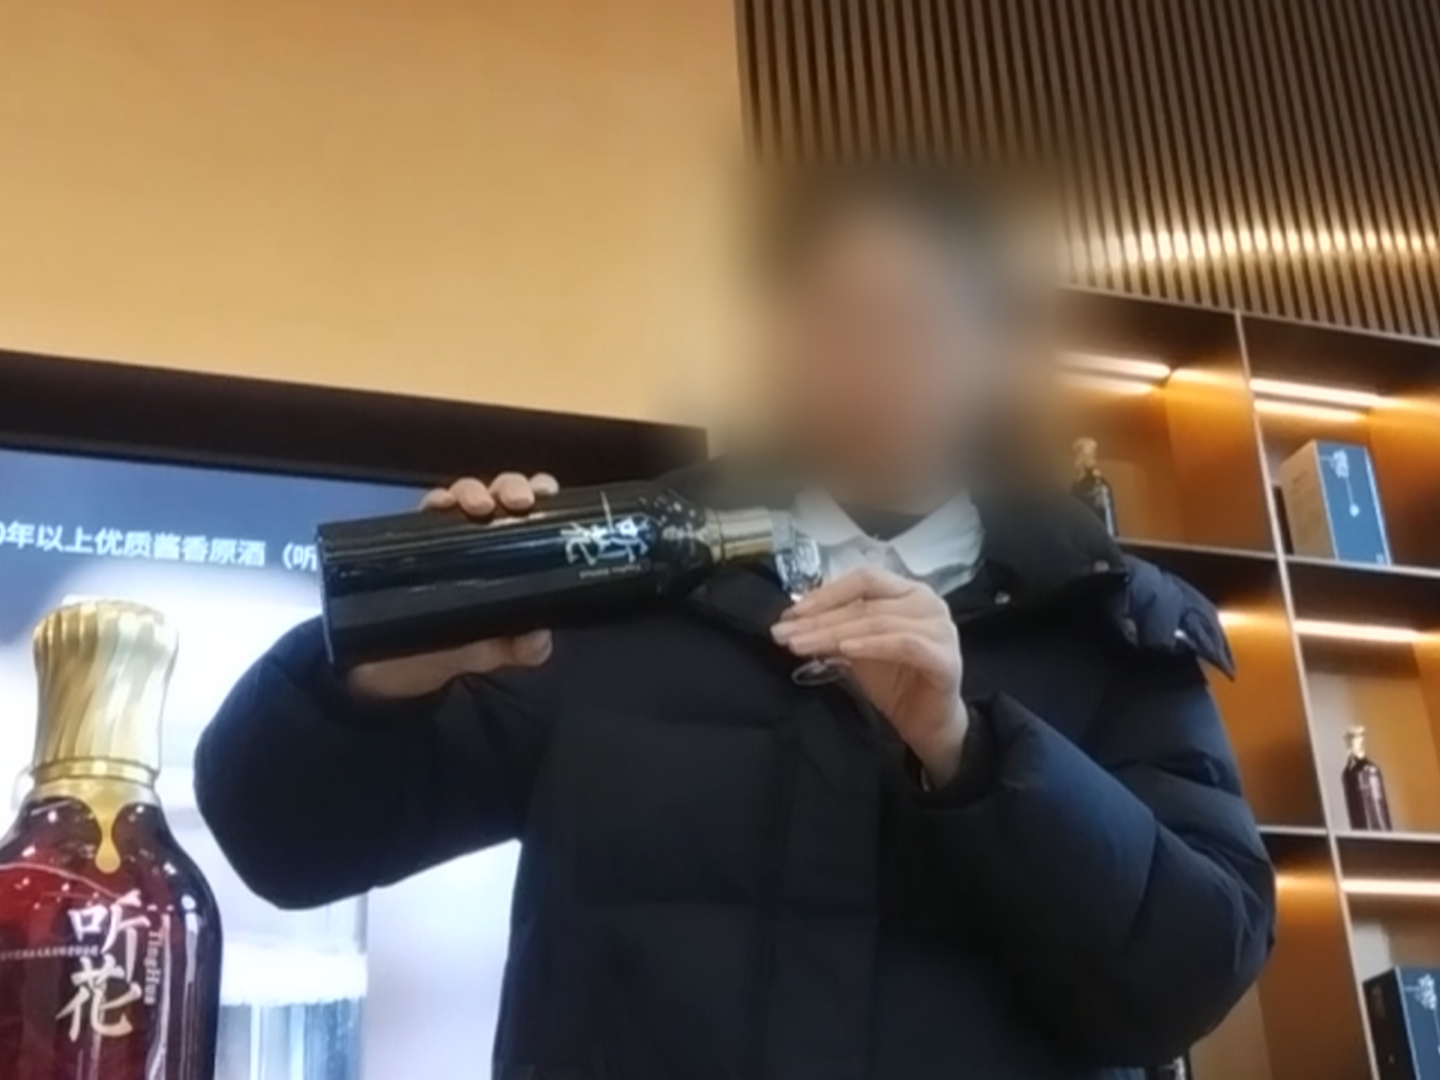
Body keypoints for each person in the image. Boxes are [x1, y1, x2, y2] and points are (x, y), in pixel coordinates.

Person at [196, 166, 1275, 1079]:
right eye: (836, 320)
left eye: (916, 321)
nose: (873, 361)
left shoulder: (1110, 619)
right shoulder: (618, 584)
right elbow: (282, 842)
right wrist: (385, 672)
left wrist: (973, 754)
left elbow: (1190, 974)